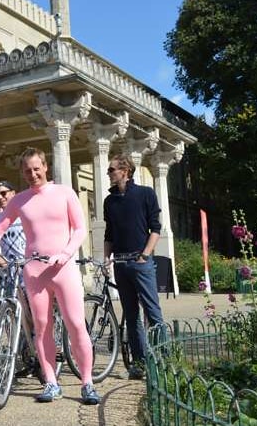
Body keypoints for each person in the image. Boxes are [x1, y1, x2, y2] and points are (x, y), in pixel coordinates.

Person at [0, 148, 100, 405]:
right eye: (27, 170)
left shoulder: (65, 193)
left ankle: (87, 382)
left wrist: (66, 254)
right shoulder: (19, 200)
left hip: (63, 268)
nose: (32, 174)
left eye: (36, 168)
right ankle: (51, 382)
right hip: (34, 270)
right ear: (22, 172)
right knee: (41, 328)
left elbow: (79, 230)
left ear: (45, 167)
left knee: (76, 324)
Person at [104, 154, 165, 380]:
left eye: (111, 170)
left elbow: (155, 228)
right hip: (120, 262)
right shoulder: (109, 201)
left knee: (153, 312)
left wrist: (144, 255)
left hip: (141, 262)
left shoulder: (145, 194)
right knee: (131, 316)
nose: (109, 173)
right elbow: (110, 232)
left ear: (125, 170)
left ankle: (165, 361)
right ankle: (139, 364)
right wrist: (107, 259)